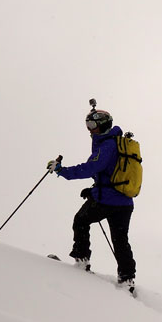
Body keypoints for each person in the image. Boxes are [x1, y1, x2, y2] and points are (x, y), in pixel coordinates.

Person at [47, 107, 136, 293]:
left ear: (102, 125)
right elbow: (108, 172)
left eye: (92, 125)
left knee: (80, 221)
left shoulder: (107, 145)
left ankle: (81, 260)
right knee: (120, 239)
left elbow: (90, 168)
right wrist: (94, 189)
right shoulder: (119, 143)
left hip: (107, 200)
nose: (89, 129)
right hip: (124, 201)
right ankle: (127, 279)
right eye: (87, 125)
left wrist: (62, 171)